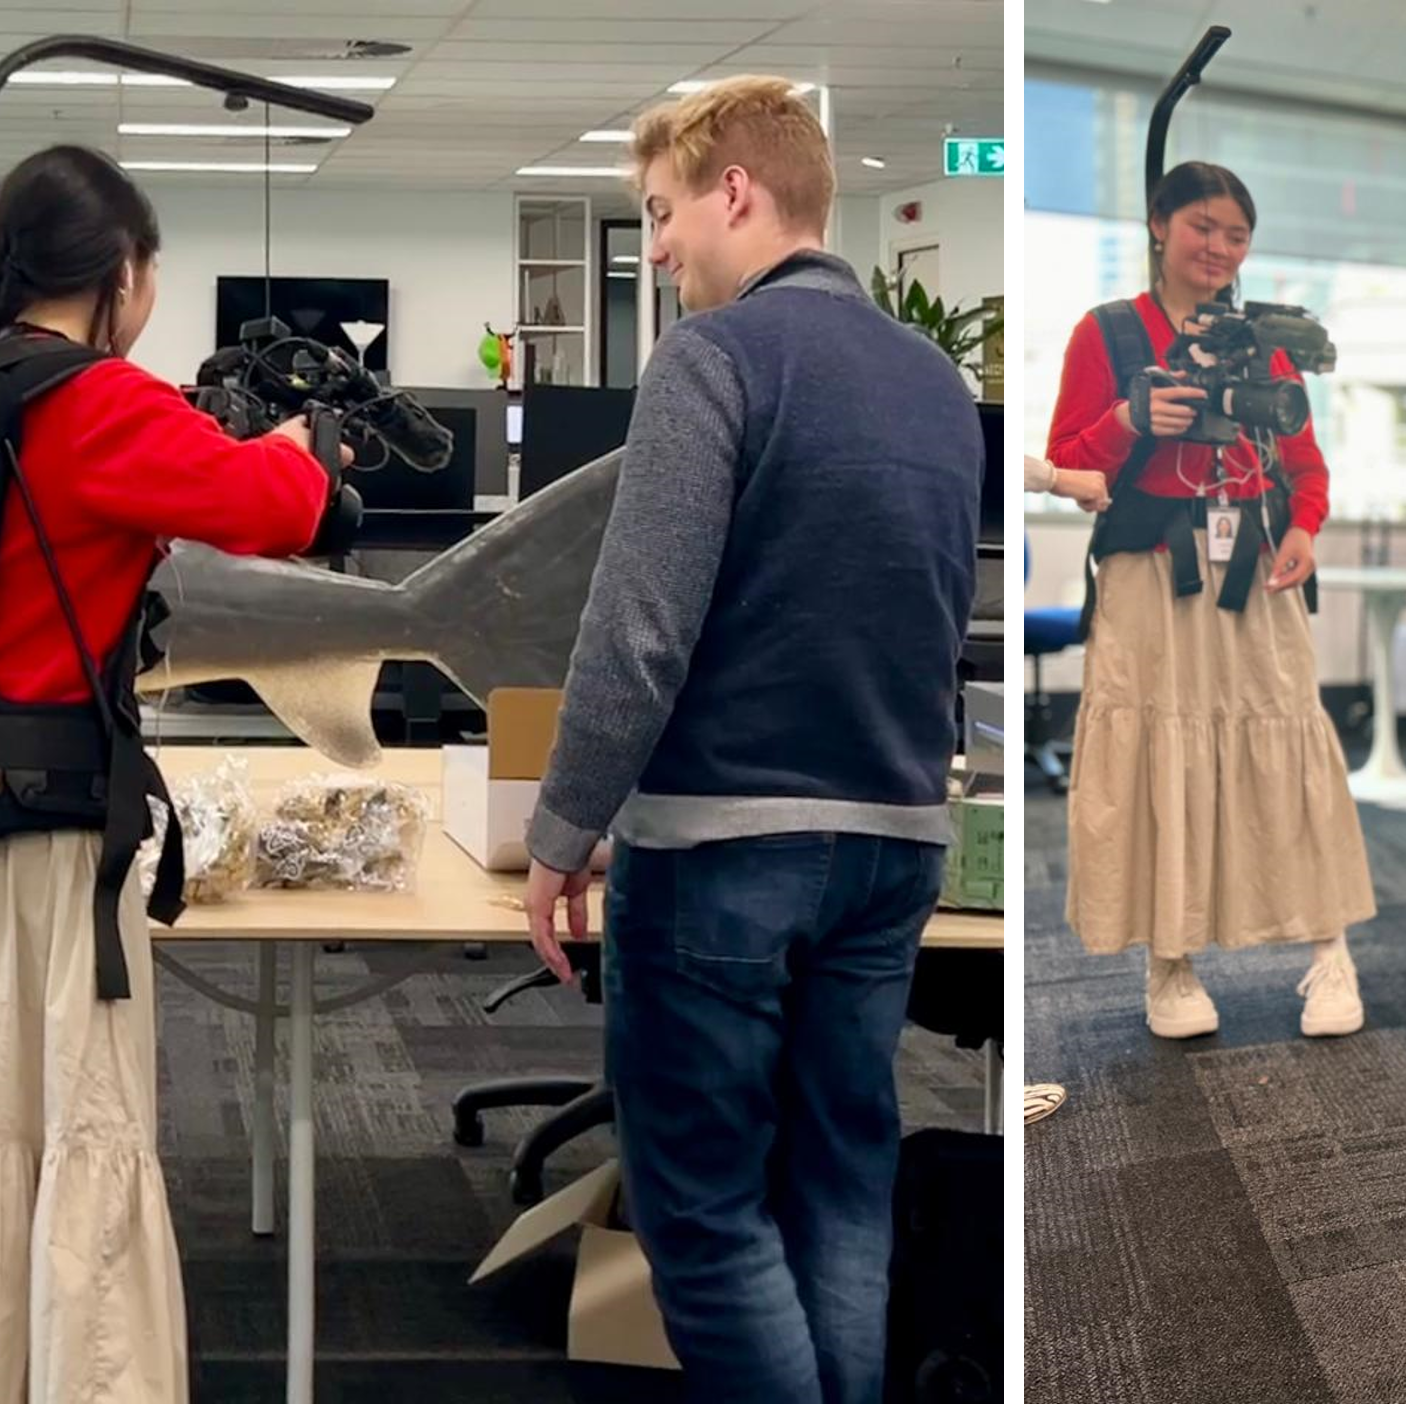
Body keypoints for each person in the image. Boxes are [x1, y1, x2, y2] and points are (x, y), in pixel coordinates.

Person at [0, 143, 340, 1404]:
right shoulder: (91, 402)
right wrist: (299, 443)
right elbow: (271, 509)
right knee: (71, 1145)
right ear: (120, 273)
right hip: (27, 858)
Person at [515, 76, 977, 1403]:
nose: (655, 248)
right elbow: (934, 612)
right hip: (892, 842)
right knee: (839, 1183)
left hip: (721, 848)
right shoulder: (936, 383)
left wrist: (560, 832)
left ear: (736, 192)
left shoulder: (710, 360)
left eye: (660, 214)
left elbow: (638, 629)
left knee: (705, 1215)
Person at [1041, 160, 1374, 1040]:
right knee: (1160, 757)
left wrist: (1303, 527)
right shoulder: (1107, 335)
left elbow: (1305, 462)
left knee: (1290, 738)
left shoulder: (1262, 339)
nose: (1219, 247)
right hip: (1149, 574)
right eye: (1202, 226)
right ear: (1159, 225)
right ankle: (1171, 965)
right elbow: (1068, 465)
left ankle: (1328, 951)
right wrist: (1131, 421)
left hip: (1253, 572)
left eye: (1236, 234)